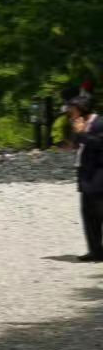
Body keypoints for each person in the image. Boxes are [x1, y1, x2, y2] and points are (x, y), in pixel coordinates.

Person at [67, 99, 103, 261]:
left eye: (73, 109)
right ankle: (95, 251)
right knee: (88, 214)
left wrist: (81, 133)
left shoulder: (99, 123)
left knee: (99, 212)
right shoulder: (79, 123)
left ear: (82, 109)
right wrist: (77, 133)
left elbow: (99, 144)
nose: (70, 112)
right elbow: (77, 144)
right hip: (85, 174)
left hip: (99, 174)